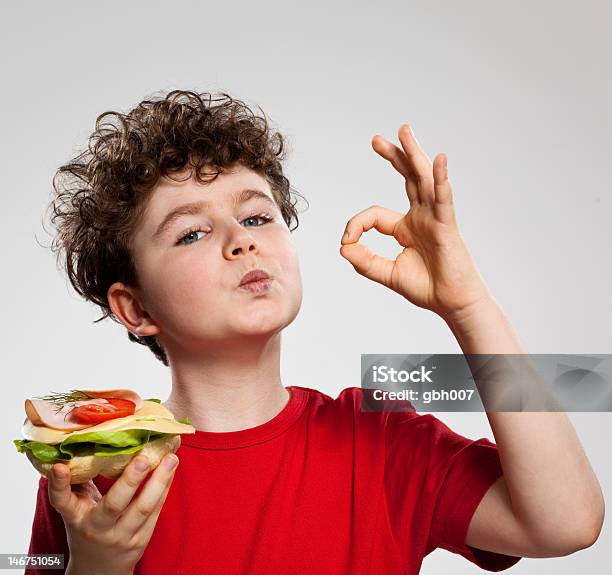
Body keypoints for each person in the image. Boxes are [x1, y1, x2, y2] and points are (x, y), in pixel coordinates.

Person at [25, 90, 603, 575]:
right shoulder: (92, 469)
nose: (241, 239)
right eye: (193, 233)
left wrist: (469, 305)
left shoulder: (383, 443)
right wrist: (90, 567)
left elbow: (567, 523)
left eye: (255, 217)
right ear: (135, 307)